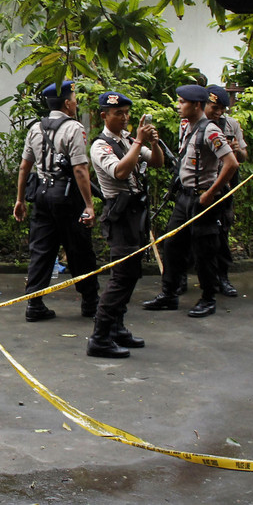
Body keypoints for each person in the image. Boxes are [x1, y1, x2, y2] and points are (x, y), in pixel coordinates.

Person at [143, 85, 238, 318]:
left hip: (202, 199)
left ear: (196, 105)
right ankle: (169, 294)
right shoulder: (187, 127)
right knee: (172, 245)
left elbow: (231, 163)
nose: (178, 106)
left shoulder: (210, 131)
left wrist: (211, 193)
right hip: (184, 197)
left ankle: (208, 299)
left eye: (182, 102)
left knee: (204, 250)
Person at [12, 80, 100, 322]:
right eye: (74, 99)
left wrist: (20, 199)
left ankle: (34, 304)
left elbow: (24, 167)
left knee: (41, 249)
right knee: (79, 248)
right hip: (67, 195)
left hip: (41, 194)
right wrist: (89, 205)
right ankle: (90, 302)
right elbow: (80, 169)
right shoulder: (74, 128)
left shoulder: (35, 128)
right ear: (67, 104)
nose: (76, 103)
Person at [87, 91, 163, 358]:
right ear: (104, 116)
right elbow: (120, 172)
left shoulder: (128, 140)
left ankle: (117, 328)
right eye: (118, 113)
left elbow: (157, 162)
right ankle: (99, 337)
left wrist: (153, 143)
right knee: (120, 277)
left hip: (135, 214)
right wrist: (139, 141)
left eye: (127, 113)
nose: (124, 118)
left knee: (131, 274)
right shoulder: (101, 146)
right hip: (119, 215)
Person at [205, 85, 247, 298]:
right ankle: (182, 280)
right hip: (202, 186)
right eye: (215, 108)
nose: (218, 113)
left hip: (225, 187)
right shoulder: (193, 124)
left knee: (222, 234)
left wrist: (237, 150)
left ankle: (222, 278)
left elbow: (243, 156)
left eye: (222, 109)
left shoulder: (231, 125)